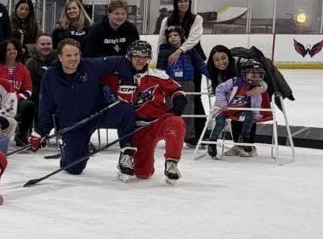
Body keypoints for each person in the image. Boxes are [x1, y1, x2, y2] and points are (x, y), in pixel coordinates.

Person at [29, 38, 135, 178]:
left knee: (126, 110)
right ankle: (68, 151)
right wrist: (41, 131)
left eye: (76, 54)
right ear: (60, 57)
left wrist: (127, 83)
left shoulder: (90, 66)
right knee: (74, 168)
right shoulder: (50, 77)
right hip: (74, 124)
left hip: (98, 114)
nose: (73, 58)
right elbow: (45, 106)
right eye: (68, 55)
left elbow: (121, 61)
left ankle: (127, 152)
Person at [112, 39, 186, 182]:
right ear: (129, 56)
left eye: (145, 57)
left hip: (158, 122)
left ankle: (171, 163)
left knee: (176, 122)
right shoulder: (117, 75)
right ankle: (128, 161)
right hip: (136, 128)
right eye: (137, 56)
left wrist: (179, 103)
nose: (141, 60)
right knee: (143, 174)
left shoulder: (158, 75)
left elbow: (177, 91)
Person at [207, 55, 271, 158]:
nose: (255, 75)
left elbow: (256, 103)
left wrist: (256, 113)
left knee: (250, 114)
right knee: (220, 122)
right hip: (225, 109)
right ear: (244, 73)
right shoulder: (234, 81)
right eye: (252, 72)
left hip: (239, 110)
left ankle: (244, 137)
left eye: (257, 72)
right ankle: (212, 142)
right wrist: (223, 104)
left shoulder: (257, 87)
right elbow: (219, 89)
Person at [158, 27, 203, 147]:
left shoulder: (190, 50)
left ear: (181, 37)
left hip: (188, 82)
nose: (172, 38)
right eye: (170, 36)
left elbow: (200, 64)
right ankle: (170, 134)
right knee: (171, 109)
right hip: (171, 83)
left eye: (175, 35)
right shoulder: (164, 51)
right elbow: (160, 68)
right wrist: (160, 83)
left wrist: (211, 76)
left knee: (188, 109)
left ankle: (189, 136)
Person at [0, 40, 36, 143]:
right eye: (8, 50)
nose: (12, 51)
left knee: (30, 105)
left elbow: (28, 90)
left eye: (14, 49)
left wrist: (15, 98)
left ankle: (22, 134)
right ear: (3, 52)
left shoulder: (23, 69)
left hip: (17, 101)